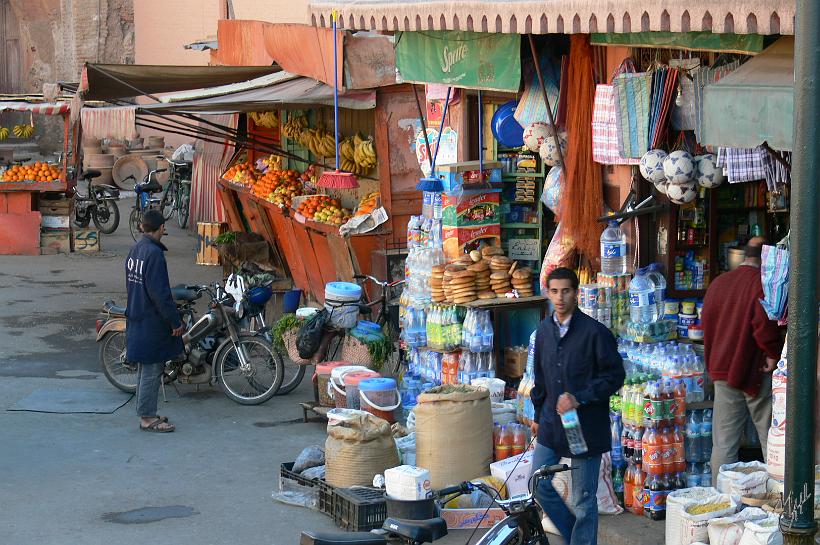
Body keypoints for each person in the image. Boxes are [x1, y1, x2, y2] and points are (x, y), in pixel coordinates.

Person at [530, 267, 625, 545]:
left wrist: (579, 396)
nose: (560, 298)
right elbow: (540, 378)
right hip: (551, 423)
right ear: (548, 293)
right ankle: (576, 536)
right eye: (555, 291)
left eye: (566, 291)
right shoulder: (544, 331)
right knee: (539, 484)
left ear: (576, 293)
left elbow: (615, 376)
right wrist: (537, 414)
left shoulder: (595, 333)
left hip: (583, 427)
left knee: (583, 499)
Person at [702, 237, 784, 480]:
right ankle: (780, 496)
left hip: (722, 370)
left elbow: (706, 322)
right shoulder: (760, 284)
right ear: (767, 258)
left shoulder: (718, 283)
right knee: (772, 438)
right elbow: (763, 326)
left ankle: (721, 497)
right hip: (752, 370)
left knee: (724, 443)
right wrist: (772, 353)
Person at [125, 209, 184, 433]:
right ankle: (148, 418)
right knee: (152, 369)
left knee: (144, 368)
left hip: (136, 314)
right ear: (161, 228)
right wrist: (174, 322)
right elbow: (160, 294)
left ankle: (145, 411)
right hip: (151, 319)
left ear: (142, 227)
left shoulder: (135, 250)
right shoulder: (154, 254)